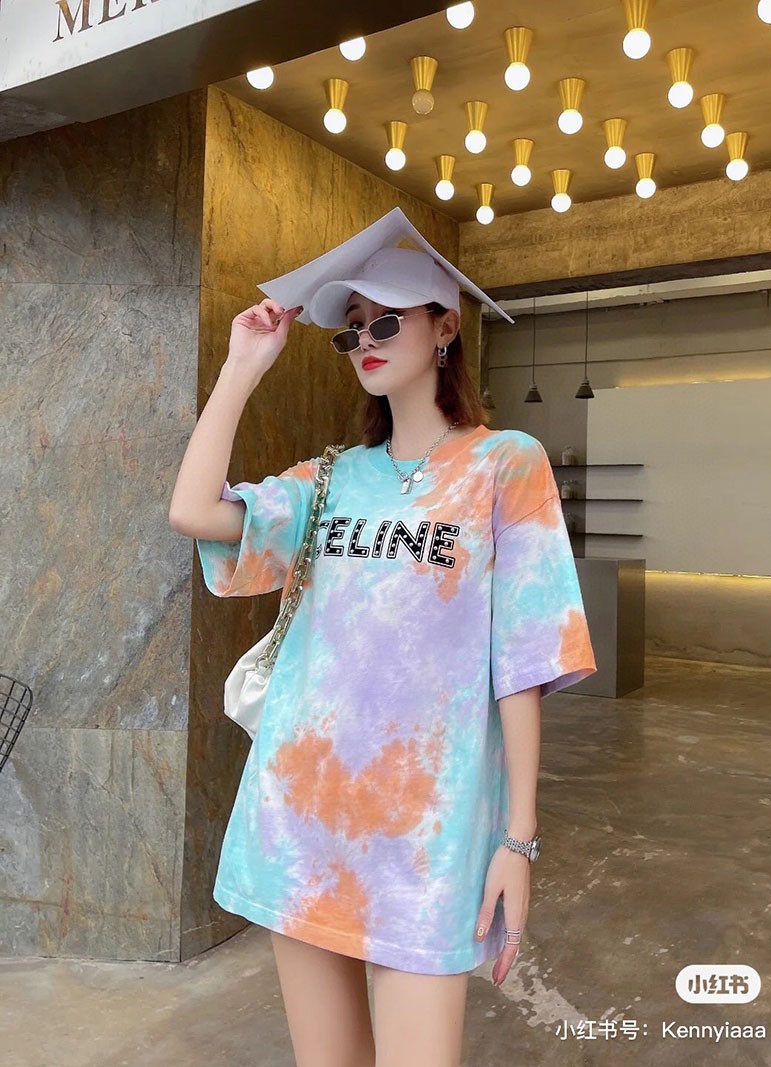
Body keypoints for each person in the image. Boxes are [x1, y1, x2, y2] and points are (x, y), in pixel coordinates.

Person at [169, 208, 597, 1067]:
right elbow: (193, 511)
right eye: (351, 329)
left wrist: (517, 840)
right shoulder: (330, 479)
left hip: (427, 837)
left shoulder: (505, 464)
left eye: (386, 321)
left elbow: (521, 658)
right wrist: (241, 366)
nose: (364, 340)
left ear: (445, 327)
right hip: (303, 820)